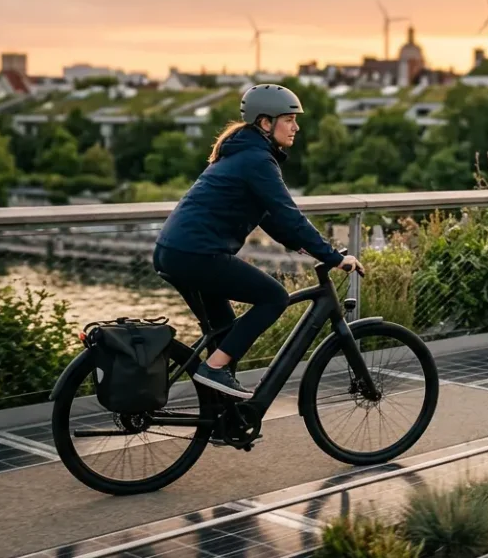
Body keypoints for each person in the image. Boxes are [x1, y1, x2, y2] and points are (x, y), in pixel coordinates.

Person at [153, 83, 364, 399]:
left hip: (175, 252)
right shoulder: (256, 159)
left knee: (224, 328)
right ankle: (212, 371)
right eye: (289, 119)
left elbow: (273, 219)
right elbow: (289, 214)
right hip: (198, 255)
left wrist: (305, 247)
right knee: (273, 298)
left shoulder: (241, 152)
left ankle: (221, 411)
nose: (296, 126)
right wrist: (333, 256)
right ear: (266, 123)